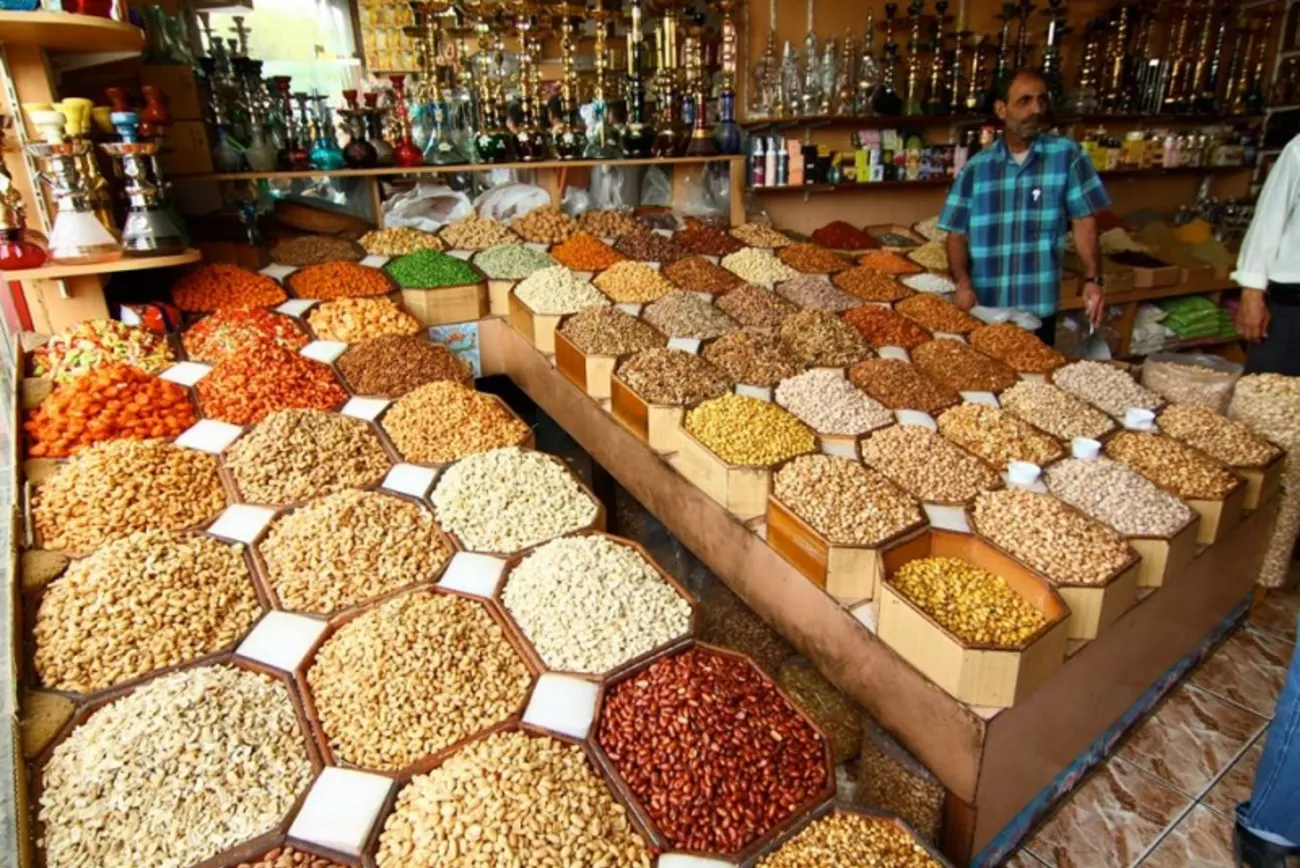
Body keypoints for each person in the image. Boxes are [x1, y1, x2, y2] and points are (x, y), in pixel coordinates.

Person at [938, 67, 1109, 345]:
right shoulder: (977, 168)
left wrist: (1092, 279)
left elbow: (1084, 220)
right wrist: (963, 283)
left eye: (1041, 100)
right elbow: (955, 232)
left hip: (1039, 304)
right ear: (1001, 109)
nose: (1036, 109)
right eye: (1024, 101)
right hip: (987, 306)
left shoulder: (1067, 155)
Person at [1234, 133, 1300, 375]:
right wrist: (1252, 294)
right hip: (1292, 305)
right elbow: (1267, 222)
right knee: (1266, 395)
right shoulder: (1298, 149)